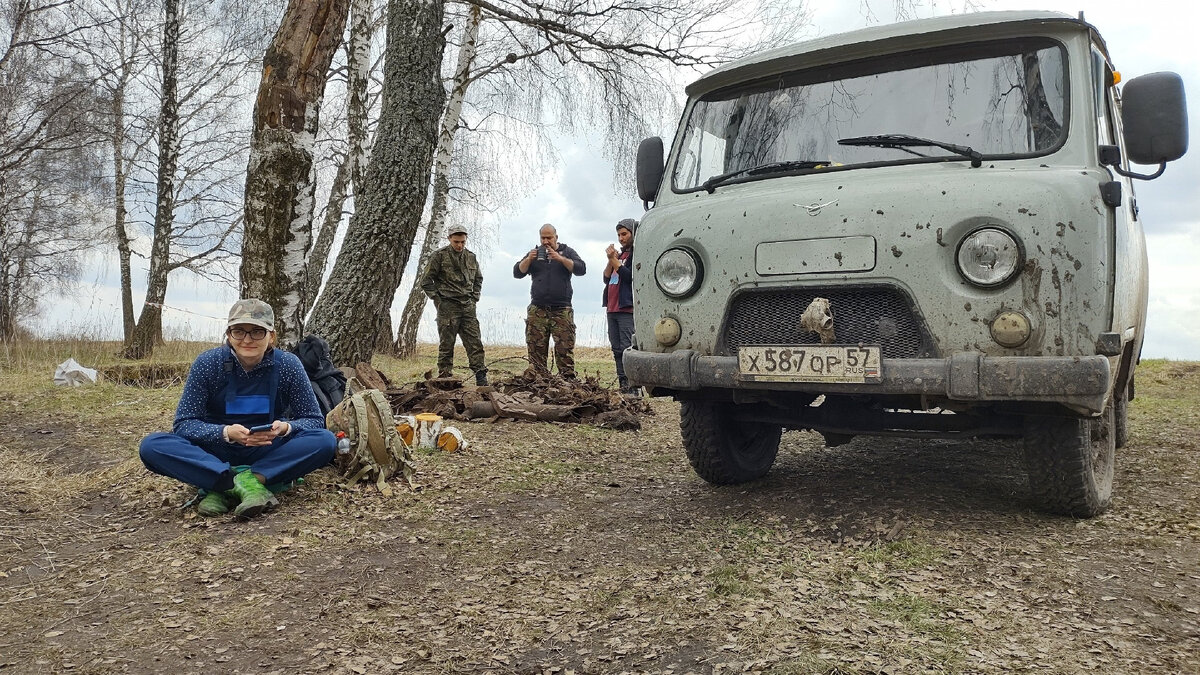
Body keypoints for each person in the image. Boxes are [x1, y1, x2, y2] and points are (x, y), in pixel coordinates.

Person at [139, 299, 337, 519]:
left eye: (257, 332)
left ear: (271, 336)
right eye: (239, 331)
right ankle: (232, 481)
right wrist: (225, 433)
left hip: (269, 449)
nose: (247, 339)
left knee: (325, 440)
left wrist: (285, 428)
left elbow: (313, 419)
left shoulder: (289, 365)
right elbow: (184, 424)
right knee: (152, 446)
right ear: (228, 335)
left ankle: (234, 483)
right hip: (215, 451)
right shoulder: (207, 364)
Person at [513, 223, 586, 379]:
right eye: (543, 238)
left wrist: (560, 259)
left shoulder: (567, 252)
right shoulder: (534, 253)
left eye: (549, 238)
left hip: (561, 310)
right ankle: (538, 384)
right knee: (535, 351)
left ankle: (567, 384)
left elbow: (581, 269)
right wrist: (528, 259)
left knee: (564, 351)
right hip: (538, 309)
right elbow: (517, 272)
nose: (546, 241)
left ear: (556, 237)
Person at [420, 224, 487, 386]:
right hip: (447, 306)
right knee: (446, 344)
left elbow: (478, 279)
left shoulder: (471, 257)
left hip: (468, 306)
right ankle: (445, 377)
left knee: (474, 342)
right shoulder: (439, 256)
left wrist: (474, 298)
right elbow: (426, 281)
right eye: (456, 241)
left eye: (462, 242)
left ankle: (481, 377)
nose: (459, 245)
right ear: (449, 239)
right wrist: (438, 300)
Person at [603, 218, 637, 394]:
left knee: (626, 348)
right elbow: (606, 277)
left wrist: (614, 261)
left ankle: (632, 387)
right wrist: (612, 260)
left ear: (633, 233)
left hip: (626, 309)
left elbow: (629, 276)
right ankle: (623, 385)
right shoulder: (620, 255)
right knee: (616, 349)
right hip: (612, 308)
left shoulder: (636, 254)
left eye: (624, 234)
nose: (621, 238)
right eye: (618, 235)